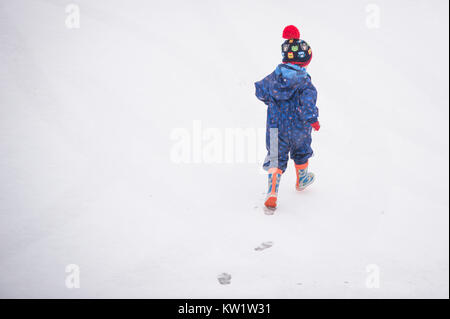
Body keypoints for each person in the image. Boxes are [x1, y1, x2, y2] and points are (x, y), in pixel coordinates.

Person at [255, 25, 320, 209]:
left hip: (276, 127)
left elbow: (260, 90)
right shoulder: (305, 83)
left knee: (276, 157)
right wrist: (313, 119)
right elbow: (308, 104)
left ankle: (272, 191)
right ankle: (302, 179)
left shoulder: (275, 77)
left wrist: (271, 101)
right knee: (301, 152)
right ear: (304, 62)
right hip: (299, 128)